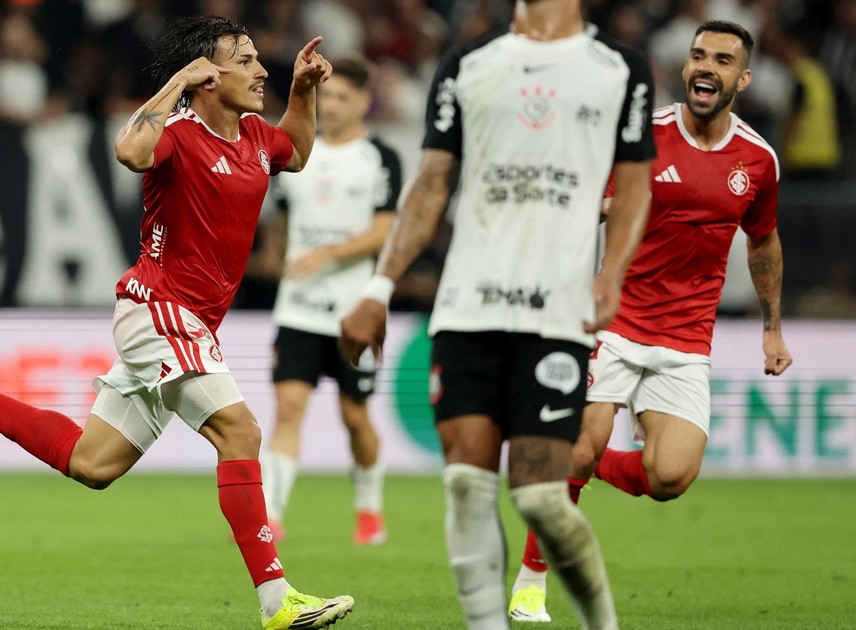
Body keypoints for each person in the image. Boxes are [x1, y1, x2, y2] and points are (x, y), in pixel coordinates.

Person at [0, 16, 354, 630]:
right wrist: (177, 83)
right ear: (208, 76)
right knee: (240, 433)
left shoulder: (257, 138)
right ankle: (277, 600)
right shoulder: (178, 133)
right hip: (160, 309)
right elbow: (129, 150)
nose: (261, 69)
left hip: (188, 322)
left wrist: (304, 89)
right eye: (244, 60)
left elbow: (300, 151)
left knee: (93, 464)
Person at [339, 0, 656, 627]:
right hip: (468, 305)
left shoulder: (620, 69)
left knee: (541, 498)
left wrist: (612, 274)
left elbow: (634, 186)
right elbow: (432, 182)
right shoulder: (469, 63)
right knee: (465, 486)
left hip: (556, 312)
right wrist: (379, 287)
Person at [507, 20, 792, 623]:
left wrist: (772, 327)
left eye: (721, 60)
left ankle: (579, 461)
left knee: (669, 477)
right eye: (697, 56)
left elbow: (763, 241)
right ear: (685, 67)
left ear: (743, 79)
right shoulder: (641, 136)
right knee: (579, 447)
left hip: (686, 338)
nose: (705, 67)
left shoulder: (757, 160)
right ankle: (532, 581)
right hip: (613, 320)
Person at [261, 55, 401, 547]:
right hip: (298, 307)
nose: (334, 105)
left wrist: (326, 254)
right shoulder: (297, 152)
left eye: (343, 96)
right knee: (287, 409)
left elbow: (384, 230)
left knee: (354, 416)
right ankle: (271, 516)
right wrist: (280, 257)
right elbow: (280, 218)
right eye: (327, 96)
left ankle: (369, 509)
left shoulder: (380, 158)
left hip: (353, 310)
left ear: (364, 102)